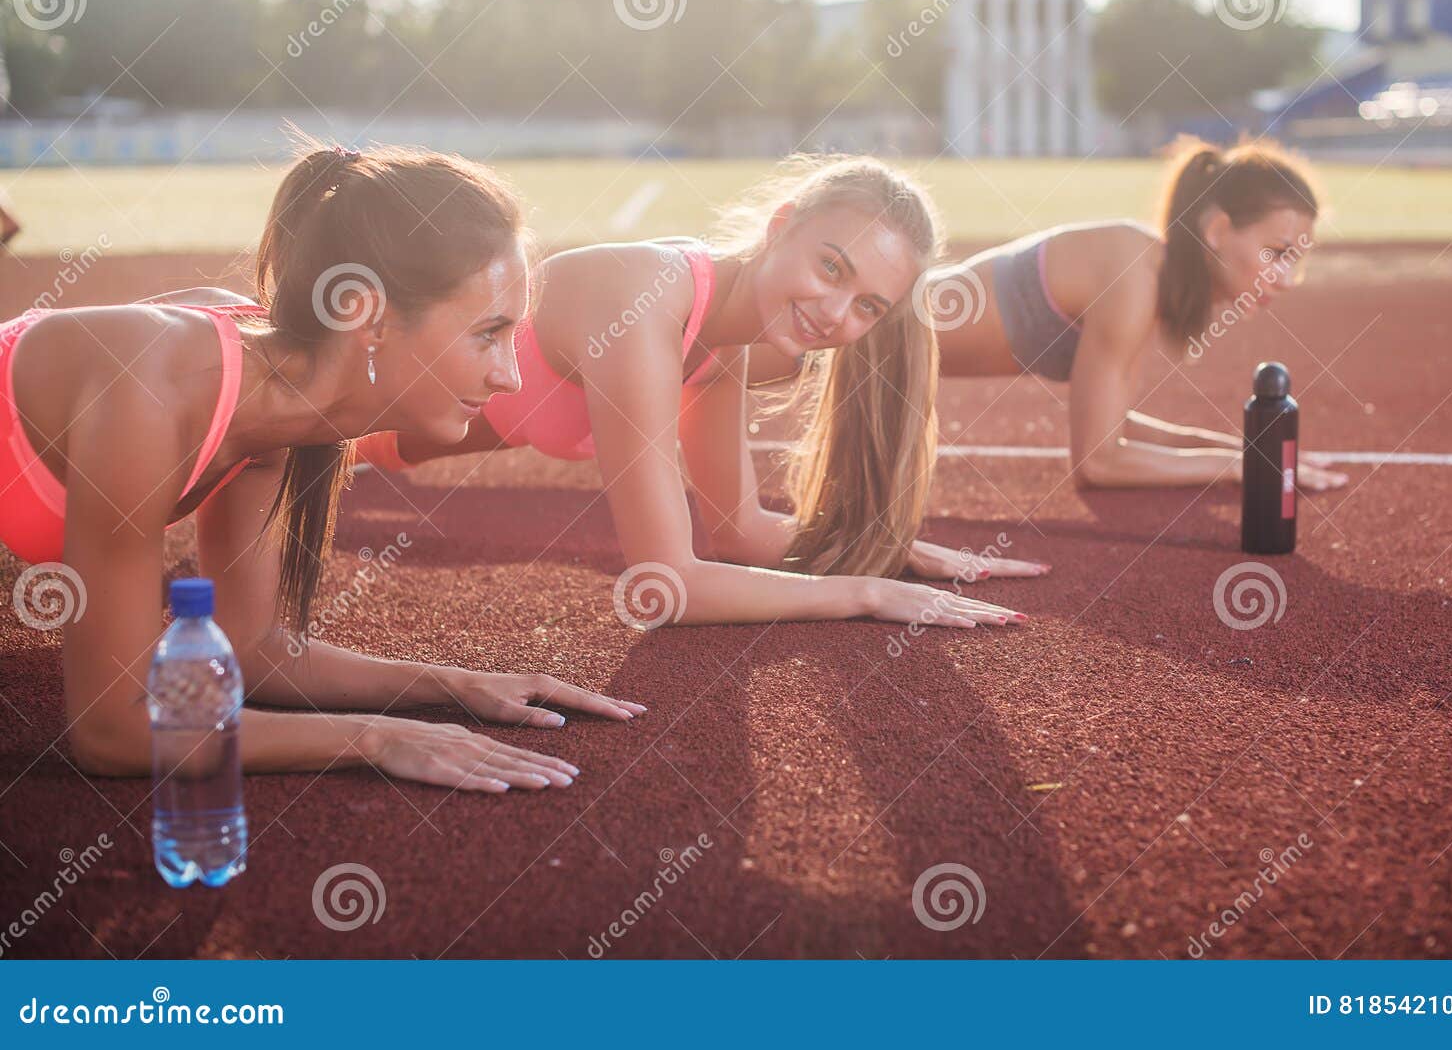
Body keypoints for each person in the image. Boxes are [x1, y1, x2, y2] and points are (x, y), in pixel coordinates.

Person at [0, 140, 643, 795]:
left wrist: (453, 684)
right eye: (488, 333)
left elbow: (250, 648)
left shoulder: (279, 413)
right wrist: (376, 737)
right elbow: (113, 730)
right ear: (369, 317)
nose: (509, 375)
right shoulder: (158, 386)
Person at [355, 156, 1047, 628]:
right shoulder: (647, 301)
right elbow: (665, 584)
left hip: (394, 433)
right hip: (337, 400)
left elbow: (737, 529)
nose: (836, 313)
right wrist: (864, 591)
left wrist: (880, 547)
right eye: (831, 267)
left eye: (867, 306)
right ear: (781, 227)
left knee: (359, 453)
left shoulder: (723, 343)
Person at [749, 137, 1350, 492]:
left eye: (1297, 259)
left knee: (721, 365)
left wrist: (1252, 454)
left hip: (868, 340)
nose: (1287, 279)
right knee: (720, 357)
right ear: (1218, 229)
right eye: (1276, 253)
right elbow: (1100, 461)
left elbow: (1115, 424)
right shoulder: (1134, 278)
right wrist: (1239, 467)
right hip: (867, 332)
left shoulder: (1149, 276)